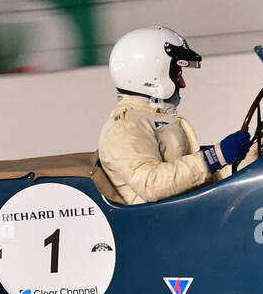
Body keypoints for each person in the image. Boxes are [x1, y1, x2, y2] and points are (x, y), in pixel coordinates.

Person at [98, 26, 251, 205]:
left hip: (187, 214)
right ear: (150, 75)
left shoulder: (150, 118)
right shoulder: (125, 126)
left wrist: (249, 159)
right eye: (176, 74)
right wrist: (214, 157)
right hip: (165, 224)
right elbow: (152, 185)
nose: (183, 83)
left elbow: (186, 181)